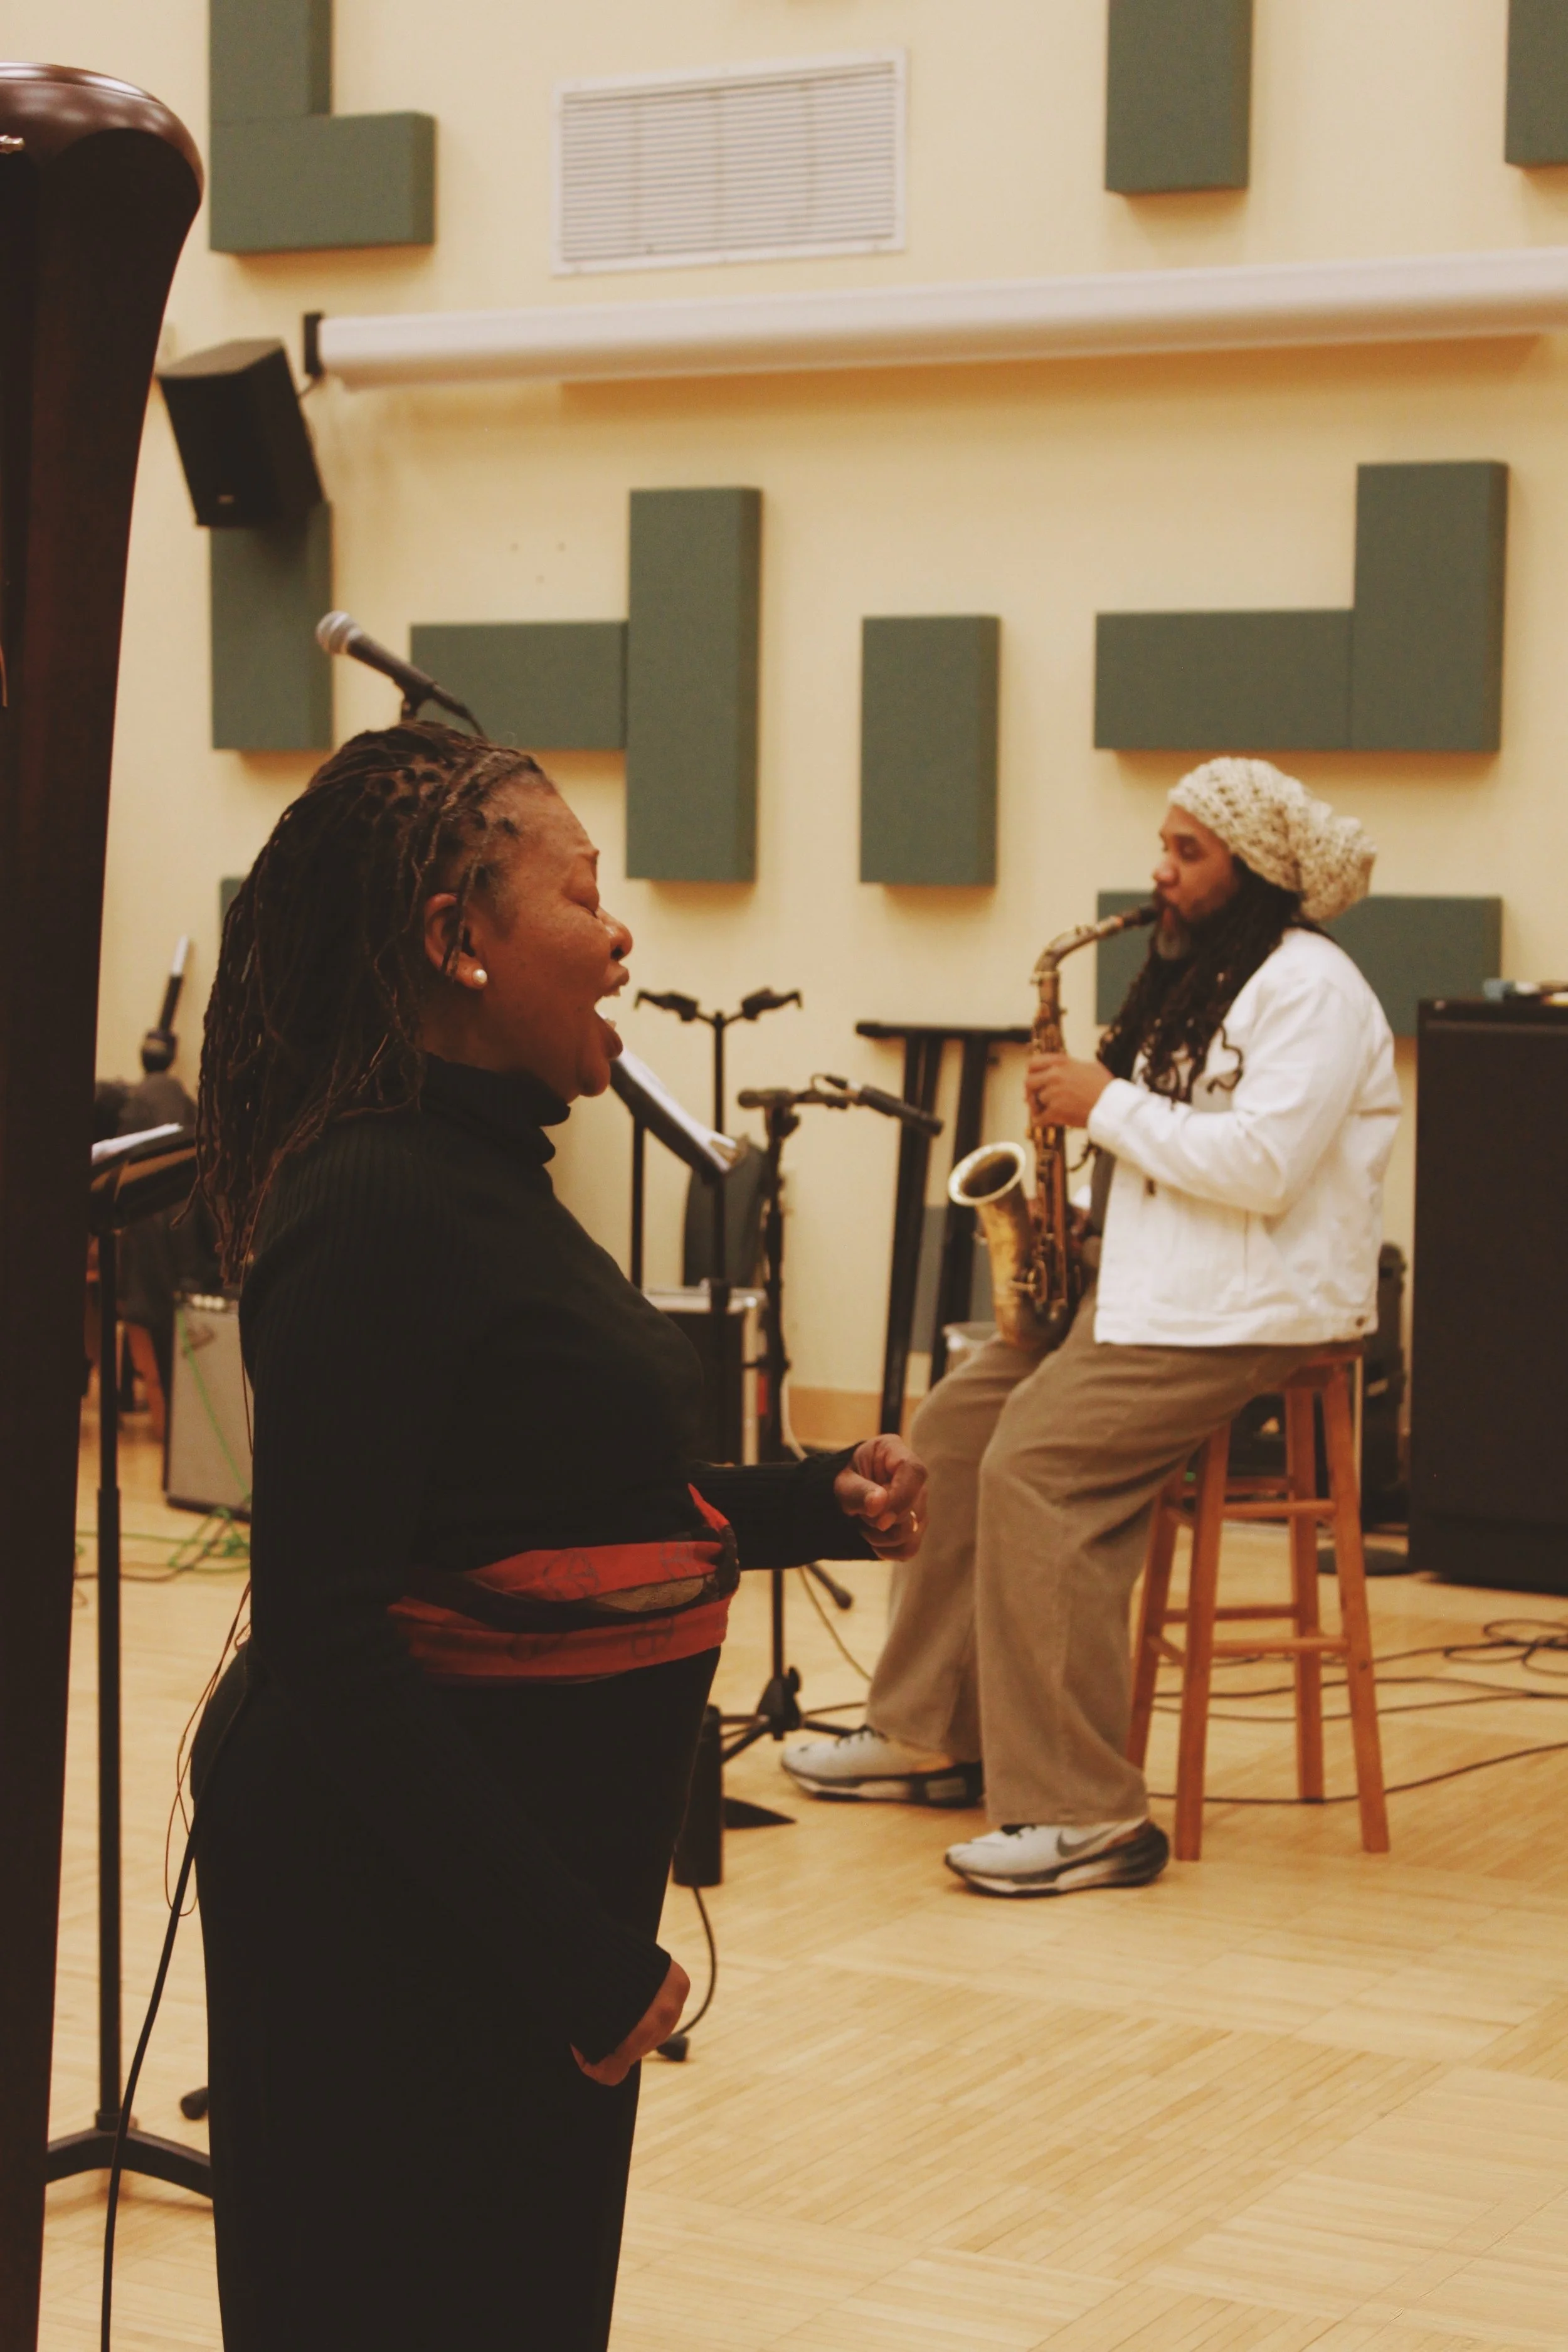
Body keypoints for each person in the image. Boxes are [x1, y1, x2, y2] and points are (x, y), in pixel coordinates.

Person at [187, 723, 926, 2352]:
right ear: (460, 937)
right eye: (583, 895)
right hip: (391, 1911)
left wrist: (815, 1496)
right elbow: (326, 1632)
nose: (619, 936)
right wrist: (574, 1959)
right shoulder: (373, 1205)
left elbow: (562, 1502)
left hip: (495, 1913)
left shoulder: (484, 1178)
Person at [784, 757, 1400, 1897]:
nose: (1159, 872)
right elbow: (1165, 1145)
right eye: (1162, 846)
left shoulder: (1310, 987)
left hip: (1243, 1304)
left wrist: (1101, 1102)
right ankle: (932, 1731)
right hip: (1144, 1282)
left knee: (1039, 1470)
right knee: (955, 1427)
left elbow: (1264, 1167)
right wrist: (1076, 1205)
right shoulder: (1201, 976)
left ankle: (1084, 1809)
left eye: (1186, 852)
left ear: (1254, 871)